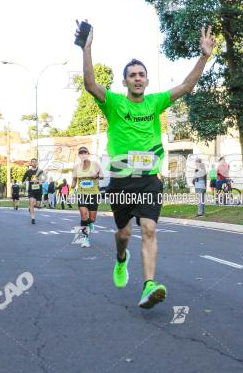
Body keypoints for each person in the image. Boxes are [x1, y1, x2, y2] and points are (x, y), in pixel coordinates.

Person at [77, 20, 215, 308]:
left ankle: (149, 285)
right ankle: (120, 258)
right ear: (125, 81)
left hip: (149, 179)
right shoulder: (114, 103)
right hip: (121, 181)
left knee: (149, 228)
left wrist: (204, 55)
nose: (137, 78)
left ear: (147, 81)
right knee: (124, 233)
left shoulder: (155, 102)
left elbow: (187, 86)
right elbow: (90, 84)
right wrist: (86, 49)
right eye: (132, 75)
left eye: (141, 75)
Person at [73, 146, 101, 248]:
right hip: (82, 193)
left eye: (85, 152)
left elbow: (101, 175)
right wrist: (72, 185)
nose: (83, 154)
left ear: (88, 154)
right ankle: (85, 239)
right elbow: (74, 179)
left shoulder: (95, 164)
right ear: (79, 155)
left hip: (94, 194)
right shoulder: (76, 167)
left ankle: (90, 223)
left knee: (92, 219)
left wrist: (96, 176)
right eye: (81, 152)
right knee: (84, 215)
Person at [23, 158, 44, 224]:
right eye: (33, 162)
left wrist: (41, 181)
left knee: (37, 205)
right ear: (31, 163)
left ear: (37, 163)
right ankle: (33, 218)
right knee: (32, 203)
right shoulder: (28, 171)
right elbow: (23, 179)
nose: (34, 163)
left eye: (35, 162)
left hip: (39, 190)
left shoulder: (40, 171)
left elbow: (44, 179)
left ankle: (31, 207)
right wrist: (24, 182)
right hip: (31, 190)